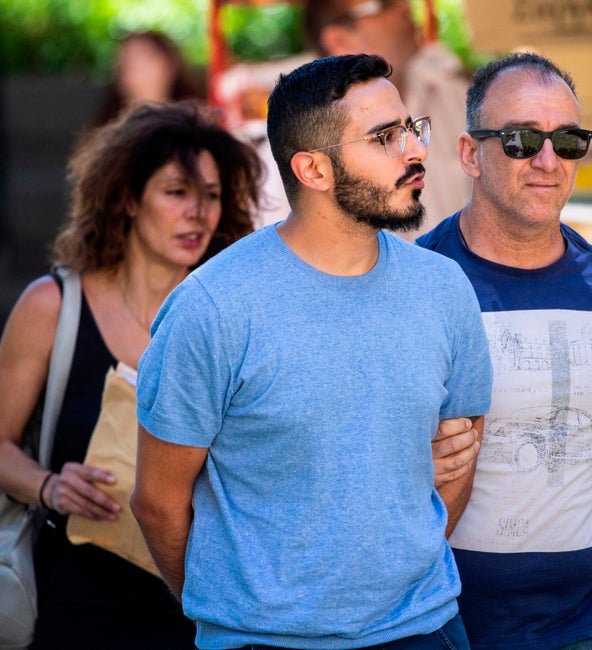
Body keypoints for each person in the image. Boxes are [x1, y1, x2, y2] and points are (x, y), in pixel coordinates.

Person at [130, 54, 493, 650]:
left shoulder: (444, 288)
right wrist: (236, 613)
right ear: (313, 170)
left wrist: (396, 574)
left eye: (410, 128)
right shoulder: (212, 308)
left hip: (423, 630)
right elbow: (158, 503)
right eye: (384, 137)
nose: (414, 150)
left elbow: (461, 458)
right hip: (261, 641)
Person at [417, 52, 592, 649]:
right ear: (469, 153)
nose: (547, 160)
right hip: (436, 630)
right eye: (520, 140)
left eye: (567, 139)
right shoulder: (412, 288)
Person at [0, 100, 262, 648]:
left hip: (208, 612)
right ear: (125, 199)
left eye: (212, 196)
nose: (198, 213)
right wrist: (49, 485)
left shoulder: (235, 314)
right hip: (72, 608)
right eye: (176, 192)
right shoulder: (53, 306)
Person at [219, 0, 470, 235]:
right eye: (383, 3)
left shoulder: (459, 96)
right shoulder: (291, 145)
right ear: (338, 39)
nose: (405, 6)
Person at [93, 31, 200, 126]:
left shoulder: (194, 126)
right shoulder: (105, 130)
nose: (131, 63)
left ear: (169, 65)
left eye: (142, 56)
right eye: (125, 57)